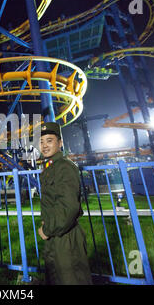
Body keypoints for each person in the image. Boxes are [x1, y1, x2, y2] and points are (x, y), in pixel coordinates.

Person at [37, 122, 92, 285]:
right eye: (41, 141)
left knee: (71, 278)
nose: (44, 145)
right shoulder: (50, 167)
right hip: (55, 235)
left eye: (49, 140)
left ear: (60, 143)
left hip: (65, 236)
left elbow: (68, 207)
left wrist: (47, 229)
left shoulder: (65, 167)